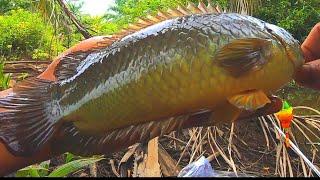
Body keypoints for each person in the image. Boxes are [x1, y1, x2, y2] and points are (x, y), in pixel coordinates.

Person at [0, 23, 320, 176]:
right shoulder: (265, 43)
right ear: (271, 45)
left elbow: (238, 103)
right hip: (69, 97)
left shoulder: (262, 52)